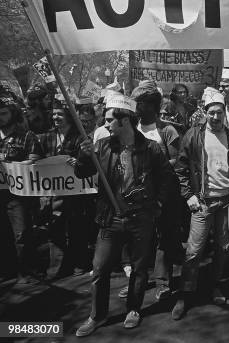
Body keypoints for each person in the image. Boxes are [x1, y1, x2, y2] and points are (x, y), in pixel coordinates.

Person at [74, 94, 174, 337]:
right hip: (110, 218)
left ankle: (133, 309)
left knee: (139, 268)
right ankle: (97, 316)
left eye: (110, 120)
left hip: (141, 218)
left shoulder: (151, 148)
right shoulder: (102, 146)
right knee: (99, 268)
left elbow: (166, 178)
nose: (106, 125)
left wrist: (157, 204)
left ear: (126, 120)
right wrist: (84, 155)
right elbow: (80, 172)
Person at [171, 91, 229, 320]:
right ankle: (185, 294)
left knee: (223, 248)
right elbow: (181, 169)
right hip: (202, 203)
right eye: (211, 112)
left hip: (226, 202)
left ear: (224, 113)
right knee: (194, 251)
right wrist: (188, 196)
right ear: (205, 112)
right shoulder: (193, 136)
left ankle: (215, 285)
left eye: (219, 112)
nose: (215, 117)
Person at [131, 80, 182, 302]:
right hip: (137, 197)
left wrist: (152, 172)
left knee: (165, 237)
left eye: (139, 103)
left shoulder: (167, 130)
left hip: (164, 196)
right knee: (140, 239)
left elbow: (175, 159)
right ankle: (136, 282)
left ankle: (163, 282)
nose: (135, 108)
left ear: (150, 106)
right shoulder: (130, 130)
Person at [38, 100, 90, 278]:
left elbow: (87, 160)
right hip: (54, 191)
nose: (55, 117)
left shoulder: (80, 137)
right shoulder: (47, 137)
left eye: (59, 114)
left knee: (77, 227)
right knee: (55, 229)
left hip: (75, 192)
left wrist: (79, 160)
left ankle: (79, 263)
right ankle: (56, 268)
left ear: (69, 116)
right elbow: (38, 159)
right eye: (53, 114)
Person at [0, 93, 43, 283]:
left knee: (21, 233)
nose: (0, 117)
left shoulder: (26, 136)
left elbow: (35, 160)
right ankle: (7, 270)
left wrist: (12, 164)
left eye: (3, 113)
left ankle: (27, 271)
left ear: (13, 114)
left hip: (17, 195)